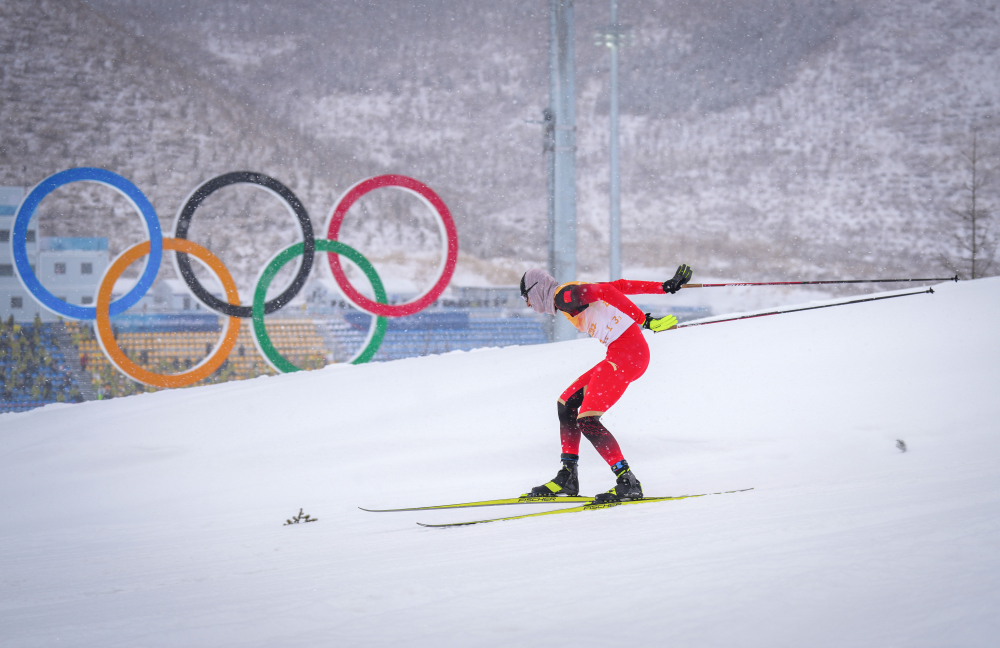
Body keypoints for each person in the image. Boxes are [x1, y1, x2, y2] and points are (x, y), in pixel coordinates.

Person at [520, 264, 693, 502]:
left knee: (587, 420)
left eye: (526, 297)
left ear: (536, 289)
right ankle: (568, 475)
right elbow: (619, 287)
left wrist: (646, 321)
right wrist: (663, 288)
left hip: (627, 354)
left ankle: (628, 481)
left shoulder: (563, 296)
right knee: (566, 403)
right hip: (622, 354)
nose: (528, 304)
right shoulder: (567, 294)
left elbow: (607, 293)